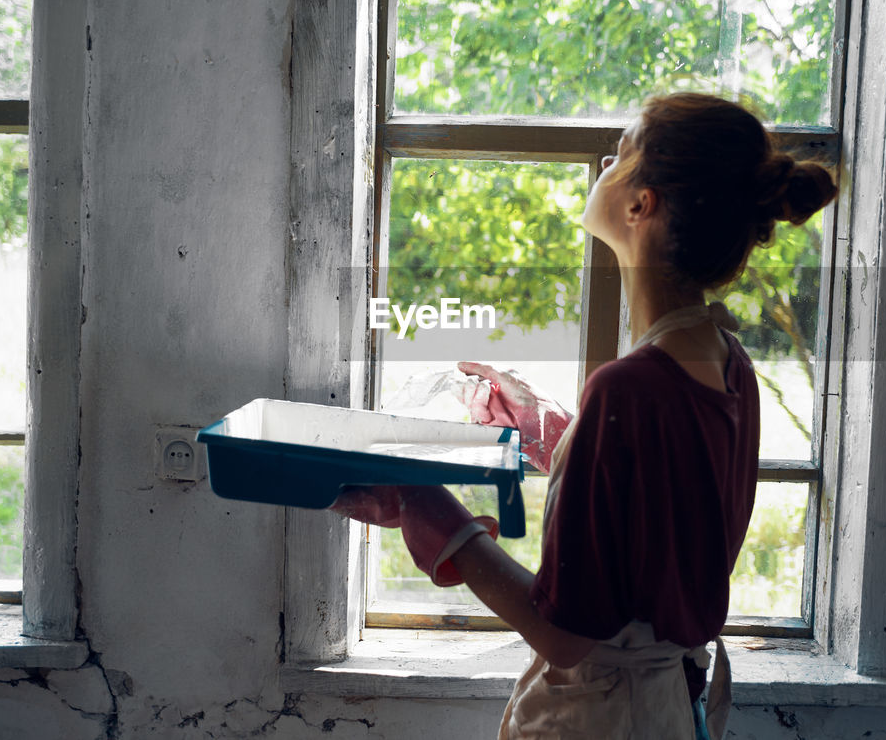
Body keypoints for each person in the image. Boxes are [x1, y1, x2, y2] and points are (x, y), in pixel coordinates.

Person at [333, 93, 838, 739]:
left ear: (640, 204)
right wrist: (554, 432)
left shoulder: (627, 390)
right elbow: (655, 506)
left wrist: (426, 508)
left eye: (623, 150)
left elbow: (563, 634)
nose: (604, 159)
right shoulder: (728, 362)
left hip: (603, 721)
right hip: (664, 713)